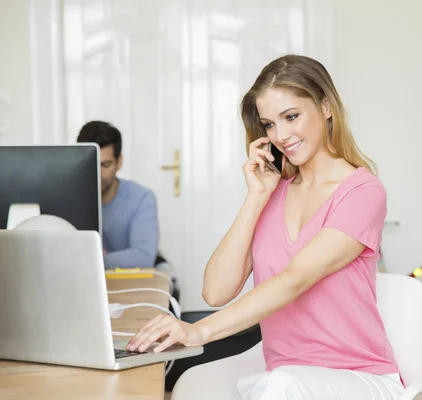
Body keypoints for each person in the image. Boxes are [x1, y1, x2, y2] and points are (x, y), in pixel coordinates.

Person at [127, 55, 404, 399]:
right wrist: (257, 196)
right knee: (198, 387)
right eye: (270, 124)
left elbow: (295, 280)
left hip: (356, 376)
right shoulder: (275, 194)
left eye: (291, 117)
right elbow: (216, 291)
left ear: (326, 107)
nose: (281, 135)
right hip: (283, 374)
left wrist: (198, 331)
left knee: (280, 387)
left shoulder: (363, 193)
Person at [77, 121, 159, 269]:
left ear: (119, 162)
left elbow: (143, 256)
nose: (98, 173)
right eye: (91, 164)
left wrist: (92, 260)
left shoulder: (142, 198)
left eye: (105, 165)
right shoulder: (70, 198)